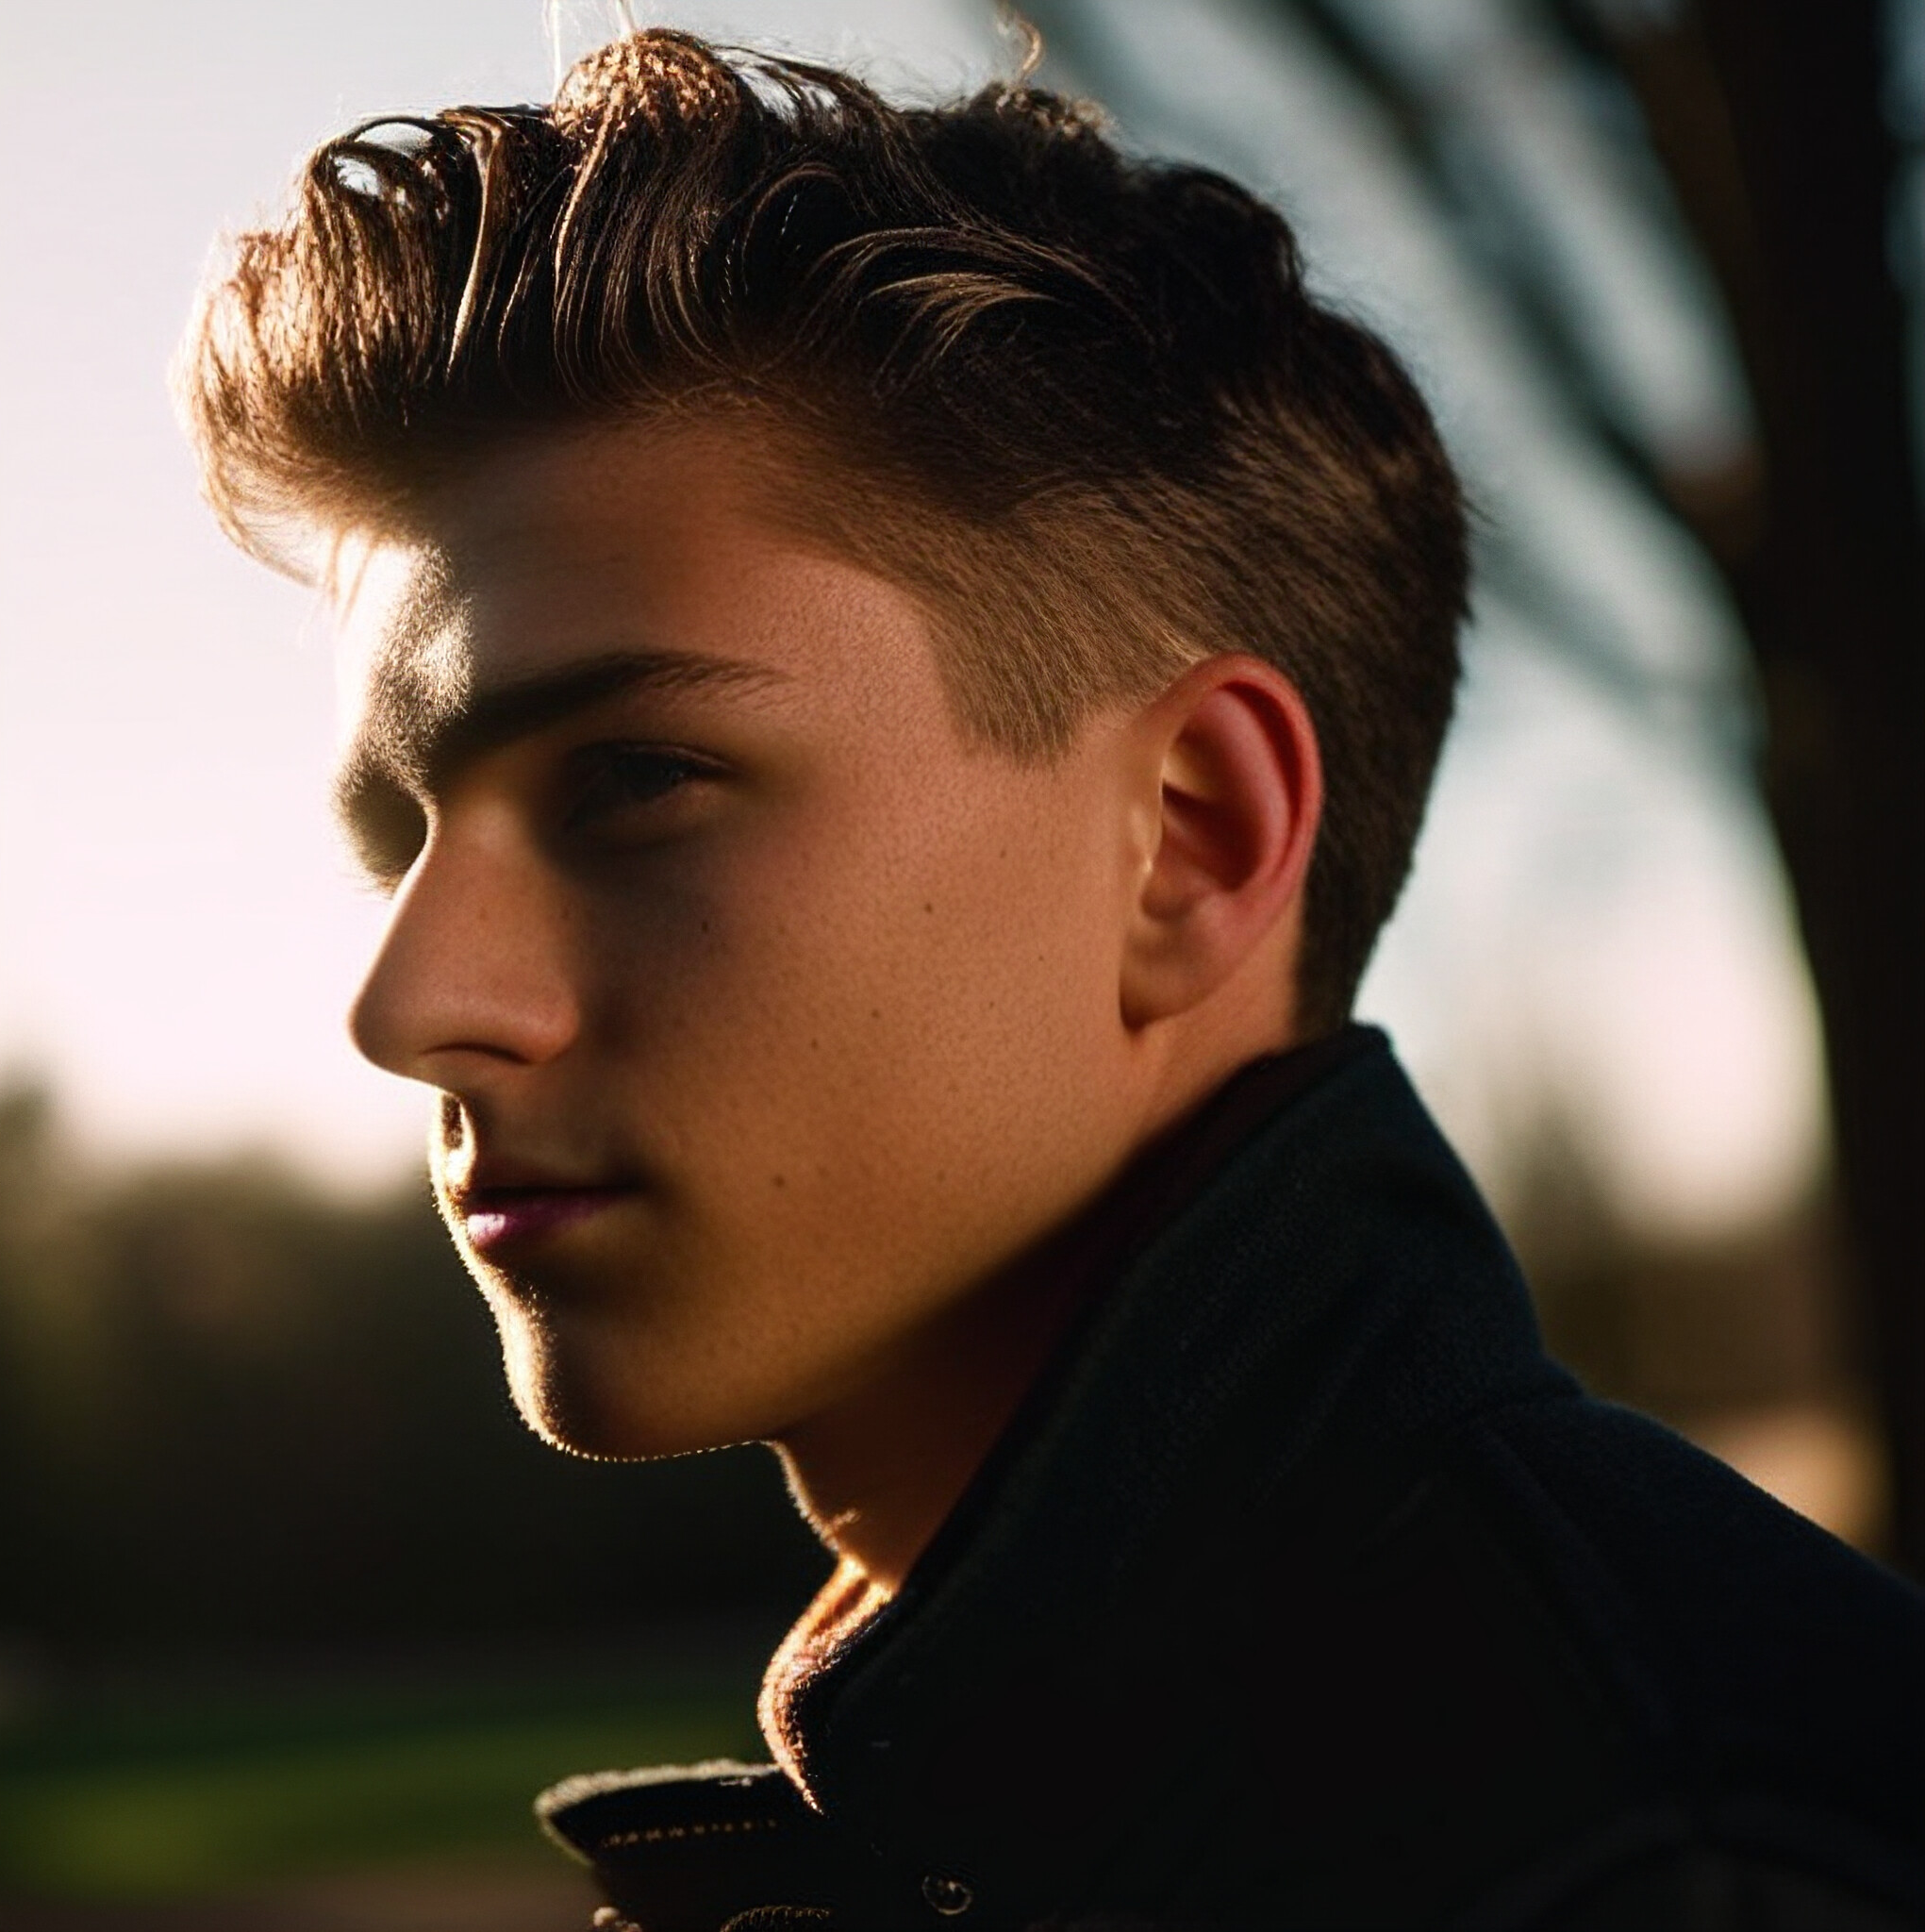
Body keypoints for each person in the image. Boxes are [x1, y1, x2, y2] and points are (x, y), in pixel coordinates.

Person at [177, 29, 1922, 1931]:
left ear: (1188, 835)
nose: (408, 1003)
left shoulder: (1672, 1863)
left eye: (632, 781)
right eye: (399, 830)